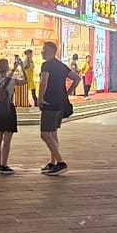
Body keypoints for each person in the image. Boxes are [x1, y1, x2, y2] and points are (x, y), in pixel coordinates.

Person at [38, 42, 80, 176]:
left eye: (44, 50)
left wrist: (40, 98)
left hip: (49, 102)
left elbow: (44, 82)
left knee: (45, 134)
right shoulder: (61, 65)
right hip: (60, 103)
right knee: (53, 133)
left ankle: (61, 163)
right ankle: (53, 163)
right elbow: (77, 78)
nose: (42, 52)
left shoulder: (46, 65)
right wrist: (67, 92)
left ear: (50, 51)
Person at [0, 56, 25, 175]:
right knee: (7, 140)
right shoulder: (13, 81)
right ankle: (4, 165)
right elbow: (25, 81)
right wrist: (21, 68)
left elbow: (4, 79)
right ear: (7, 68)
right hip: (8, 109)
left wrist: (13, 70)